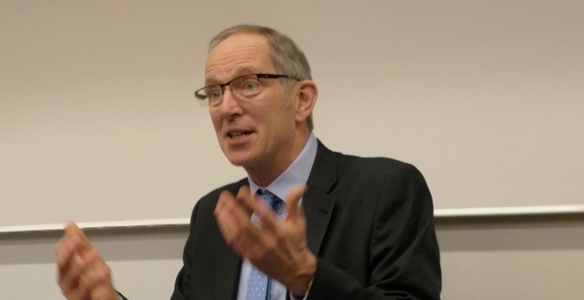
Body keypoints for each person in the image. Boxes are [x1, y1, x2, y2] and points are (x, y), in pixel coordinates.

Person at [55, 24, 441, 300]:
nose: (227, 108)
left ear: (302, 99)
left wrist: (306, 278)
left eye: (248, 84)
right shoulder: (212, 214)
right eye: (214, 93)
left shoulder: (385, 189)